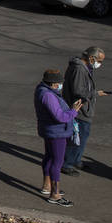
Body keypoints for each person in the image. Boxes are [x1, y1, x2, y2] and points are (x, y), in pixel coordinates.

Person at [36, 68, 83, 207]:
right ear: (54, 84)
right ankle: (55, 194)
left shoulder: (42, 90)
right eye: (59, 83)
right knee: (57, 161)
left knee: (49, 157)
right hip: (56, 132)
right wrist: (73, 111)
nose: (60, 85)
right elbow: (60, 116)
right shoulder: (48, 95)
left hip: (50, 130)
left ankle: (47, 186)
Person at [62, 46, 108, 176]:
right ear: (91, 58)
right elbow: (78, 91)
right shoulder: (79, 69)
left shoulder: (84, 68)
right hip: (79, 110)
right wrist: (95, 94)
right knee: (77, 137)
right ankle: (67, 164)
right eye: (99, 60)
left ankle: (76, 160)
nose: (100, 63)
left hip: (83, 110)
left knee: (82, 136)